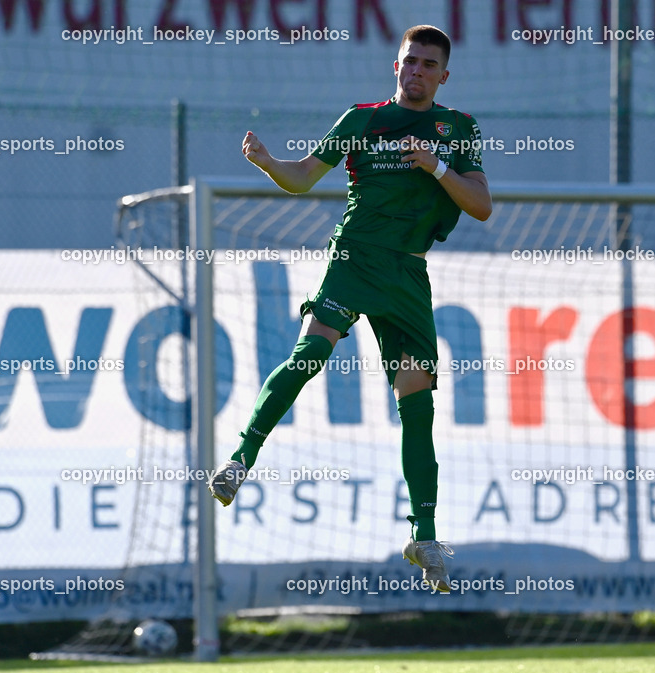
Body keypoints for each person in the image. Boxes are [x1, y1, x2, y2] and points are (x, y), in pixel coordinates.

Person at [208, 25, 491, 592]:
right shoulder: (361, 120)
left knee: (418, 401)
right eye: (410, 61)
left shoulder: (458, 129)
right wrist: (267, 162)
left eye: (428, 65)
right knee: (311, 352)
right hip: (356, 259)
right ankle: (240, 458)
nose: (417, 71)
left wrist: (436, 167)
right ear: (396, 65)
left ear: (444, 75)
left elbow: (481, 205)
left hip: (408, 274)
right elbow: (303, 178)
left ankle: (425, 534)